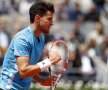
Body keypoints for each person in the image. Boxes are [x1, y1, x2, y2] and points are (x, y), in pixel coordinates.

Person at [0, 1, 61, 90]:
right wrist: (49, 61)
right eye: (49, 19)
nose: (52, 22)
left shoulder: (41, 38)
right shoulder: (22, 39)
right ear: (37, 18)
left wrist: (41, 80)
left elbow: (30, 67)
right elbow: (24, 71)